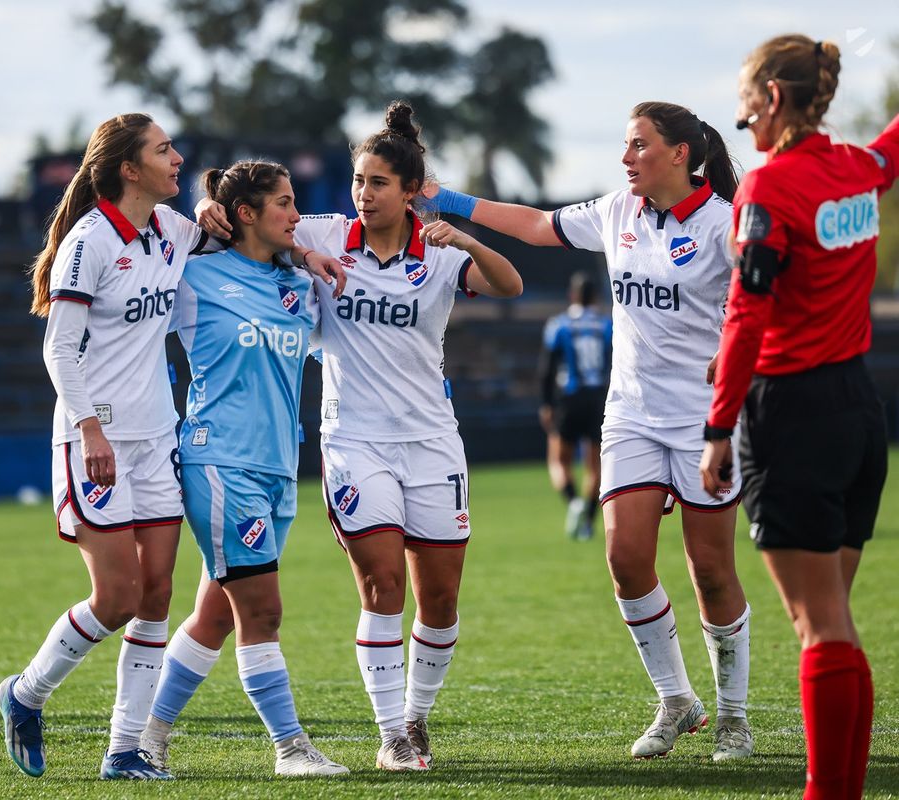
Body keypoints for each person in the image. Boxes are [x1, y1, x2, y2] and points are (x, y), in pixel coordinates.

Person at [197, 100, 523, 771]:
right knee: (382, 585)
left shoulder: (435, 252)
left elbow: (509, 284)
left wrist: (466, 241)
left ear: (409, 191)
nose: (363, 195)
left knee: (439, 600)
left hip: (433, 443)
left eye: (378, 183)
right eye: (358, 181)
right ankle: (391, 736)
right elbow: (247, 215)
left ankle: (416, 716)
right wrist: (209, 211)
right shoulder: (324, 230)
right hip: (354, 443)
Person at [428, 101, 754, 762]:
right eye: (625, 145)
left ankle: (735, 717)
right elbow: (536, 225)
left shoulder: (727, 223)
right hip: (629, 413)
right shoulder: (617, 212)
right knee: (625, 560)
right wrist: (447, 198)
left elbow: (763, 307)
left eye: (639, 145)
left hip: (703, 421)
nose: (626, 157)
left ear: (680, 154)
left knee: (711, 573)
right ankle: (676, 700)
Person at [700, 35, 899, 800]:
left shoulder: (771, 188)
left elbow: (747, 314)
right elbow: (891, 148)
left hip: (793, 416)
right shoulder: (859, 170)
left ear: (774, 101)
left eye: (746, 104)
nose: (742, 120)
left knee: (820, 629)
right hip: (858, 411)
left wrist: (719, 428)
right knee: (838, 622)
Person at [0, 113, 211, 781]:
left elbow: (221, 223)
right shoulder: (88, 242)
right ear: (128, 168)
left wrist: (210, 204)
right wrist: (89, 427)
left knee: (156, 596)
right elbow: (59, 347)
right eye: (163, 150)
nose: (177, 159)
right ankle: (24, 693)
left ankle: (124, 751)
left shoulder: (173, 230)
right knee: (116, 598)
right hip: (97, 439)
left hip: (157, 438)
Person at [136, 160, 348, 778]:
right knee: (263, 612)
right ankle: (290, 748)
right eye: (282, 203)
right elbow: (137, 279)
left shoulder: (299, 284)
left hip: (280, 467)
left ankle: (148, 737)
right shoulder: (195, 276)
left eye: (294, 201)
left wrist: (305, 257)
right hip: (220, 460)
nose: (295, 213)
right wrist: (203, 221)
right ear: (246, 213)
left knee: (217, 614)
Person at [538, 271, 612, 540]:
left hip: (568, 399)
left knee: (558, 461)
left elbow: (546, 369)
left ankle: (574, 503)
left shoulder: (559, 324)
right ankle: (589, 523)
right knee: (596, 467)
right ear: (595, 296)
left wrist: (546, 404)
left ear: (572, 296)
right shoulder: (606, 325)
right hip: (598, 399)